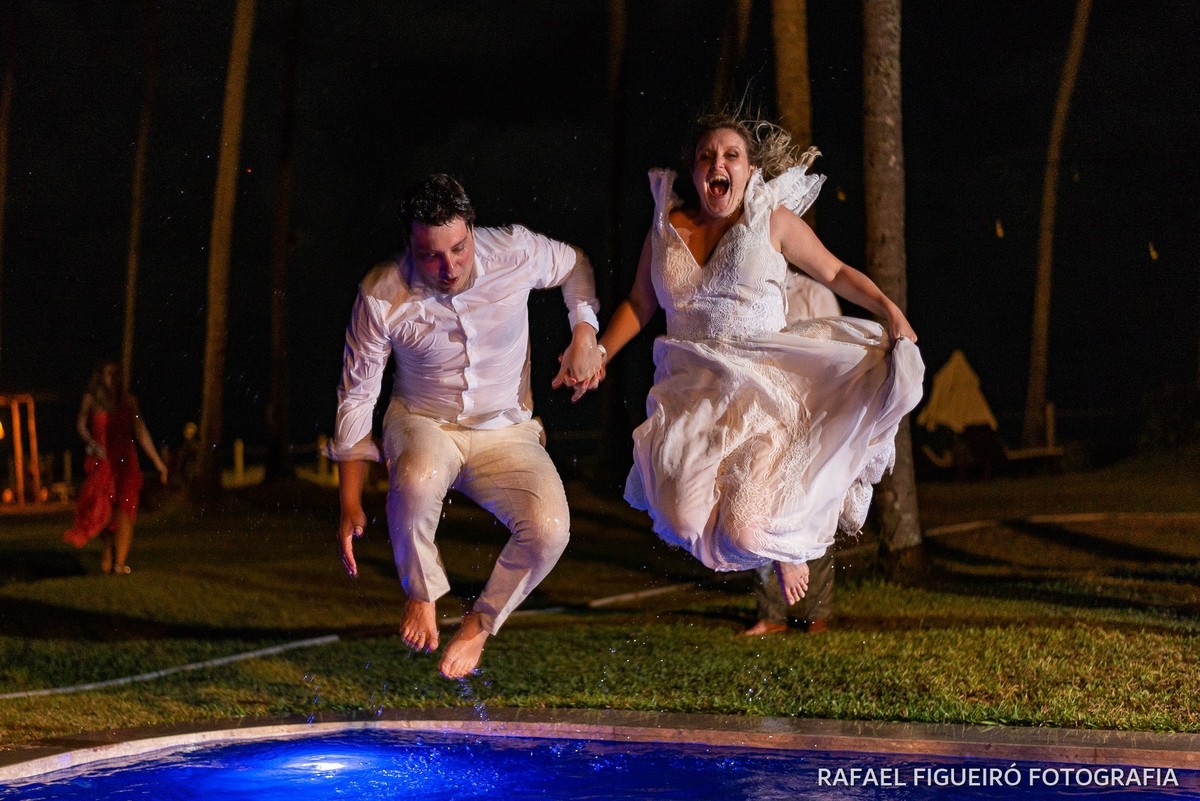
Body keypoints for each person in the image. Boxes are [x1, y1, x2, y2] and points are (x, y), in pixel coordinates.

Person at [595, 111, 924, 605]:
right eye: (706, 156)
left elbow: (834, 272)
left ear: (748, 170)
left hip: (764, 392)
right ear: (694, 171)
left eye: (731, 155)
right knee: (681, 520)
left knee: (749, 532)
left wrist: (889, 310)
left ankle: (784, 547)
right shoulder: (665, 230)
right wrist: (599, 352)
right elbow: (640, 304)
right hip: (691, 396)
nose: (718, 164)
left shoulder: (772, 221)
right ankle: (774, 543)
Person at [328, 173, 603, 680]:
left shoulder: (515, 250)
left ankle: (480, 623)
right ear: (409, 243)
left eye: (458, 248)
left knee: (550, 530)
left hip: (508, 430)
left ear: (473, 229)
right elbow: (358, 394)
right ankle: (422, 592)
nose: (448, 266)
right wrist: (350, 502)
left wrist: (585, 331)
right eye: (431, 254)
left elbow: (576, 265)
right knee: (417, 476)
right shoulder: (381, 294)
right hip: (423, 421)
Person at [742, 269, 841, 637]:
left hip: (808, 419)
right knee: (757, 506)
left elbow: (836, 358)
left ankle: (817, 613)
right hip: (763, 417)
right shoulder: (748, 286)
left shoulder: (814, 295)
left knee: (812, 511)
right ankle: (770, 614)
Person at [63, 360, 169, 574]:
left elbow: (140, 430)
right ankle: (109, 549)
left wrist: (159, 463)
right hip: (103, 460)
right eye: (108, 373)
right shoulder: (92, 400)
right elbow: (81, 424)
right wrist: (92, 443)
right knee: (102, 508)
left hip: (126, 461)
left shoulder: (129, 401)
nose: (112, 378)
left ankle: (119, 563)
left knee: (126, 509)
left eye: (116, 373)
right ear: (101, 376)